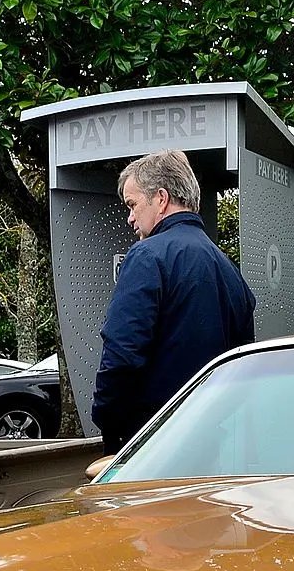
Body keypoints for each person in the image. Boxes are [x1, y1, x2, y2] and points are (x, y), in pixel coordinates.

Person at [92, 150, 256, 454]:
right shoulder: (229, 270)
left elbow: (122, 355)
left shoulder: (147, 257)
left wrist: (109, 423)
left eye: (132, 204)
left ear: (161, 198)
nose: (129, 217)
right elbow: (241, 366)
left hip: (150, 441)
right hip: (207, 440)